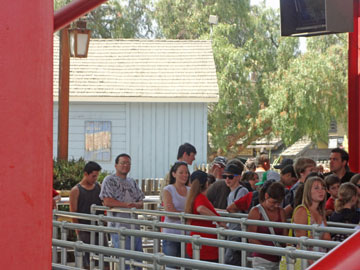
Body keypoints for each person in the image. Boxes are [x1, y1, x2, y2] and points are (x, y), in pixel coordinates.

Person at [99, 153, 145, 269]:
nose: (126, 165)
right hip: (118, 227)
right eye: (123, 163)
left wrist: (136, 205)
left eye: (128, 163)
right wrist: (127, 205)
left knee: (139, 261)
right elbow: (107, 201)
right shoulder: (109, 180)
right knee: (125, 262)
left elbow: (141, 201)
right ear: (116, 165)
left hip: (135, 227)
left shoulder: (132, 181)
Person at [69, 161, 109, 270]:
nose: (95, 179)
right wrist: (78, 231)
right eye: (93, 176)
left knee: (105, 261)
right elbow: (73, 212)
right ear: (86, 174)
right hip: (84, 229)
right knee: (86, 262)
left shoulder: (98, 187)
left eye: (97, 176)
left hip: (99, 229)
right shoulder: (75, 191)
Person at [185, 170, 226, 262]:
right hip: (207, 246)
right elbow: (200, 208)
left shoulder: (192, 198)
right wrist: (219, 220)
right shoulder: (201, 198)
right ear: (207, 183)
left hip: (199, 243)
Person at [247, 182, 286, 270]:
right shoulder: (256, 212)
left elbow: (284, 237)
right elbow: (251, 238)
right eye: (274, 202)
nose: (276, 205)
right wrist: (270, 250)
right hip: (261, 258)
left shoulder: (281, 212)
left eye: (279, 203)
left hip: (278, 259)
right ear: (266, 196)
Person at [292, 176, 331, 258]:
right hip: (306, 260)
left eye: (323, 188)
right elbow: (301, 242)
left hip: (320, 258)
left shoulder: (321, 212)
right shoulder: (302, 211)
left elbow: (327, 238)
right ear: (308, 191)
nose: (321, 191)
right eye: (316, 188)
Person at [162, 161, 190, 258]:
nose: (185, 175)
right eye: (181, 172)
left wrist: (179, 213)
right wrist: (186, 214)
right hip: (171, 234)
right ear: (174, 174)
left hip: (187, 234)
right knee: (171, 265)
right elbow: (169, 212)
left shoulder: (190, 190)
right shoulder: (168, 189)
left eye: (186, 172)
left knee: (188, 265)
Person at [223, 163, 247, 266]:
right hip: (232, 230)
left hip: (237, 232)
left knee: (230, 260)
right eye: (225, 176)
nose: (227, 179)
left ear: (238, 177)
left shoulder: (242, 191)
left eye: (230, 177)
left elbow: (233, 210)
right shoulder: (232, 192)